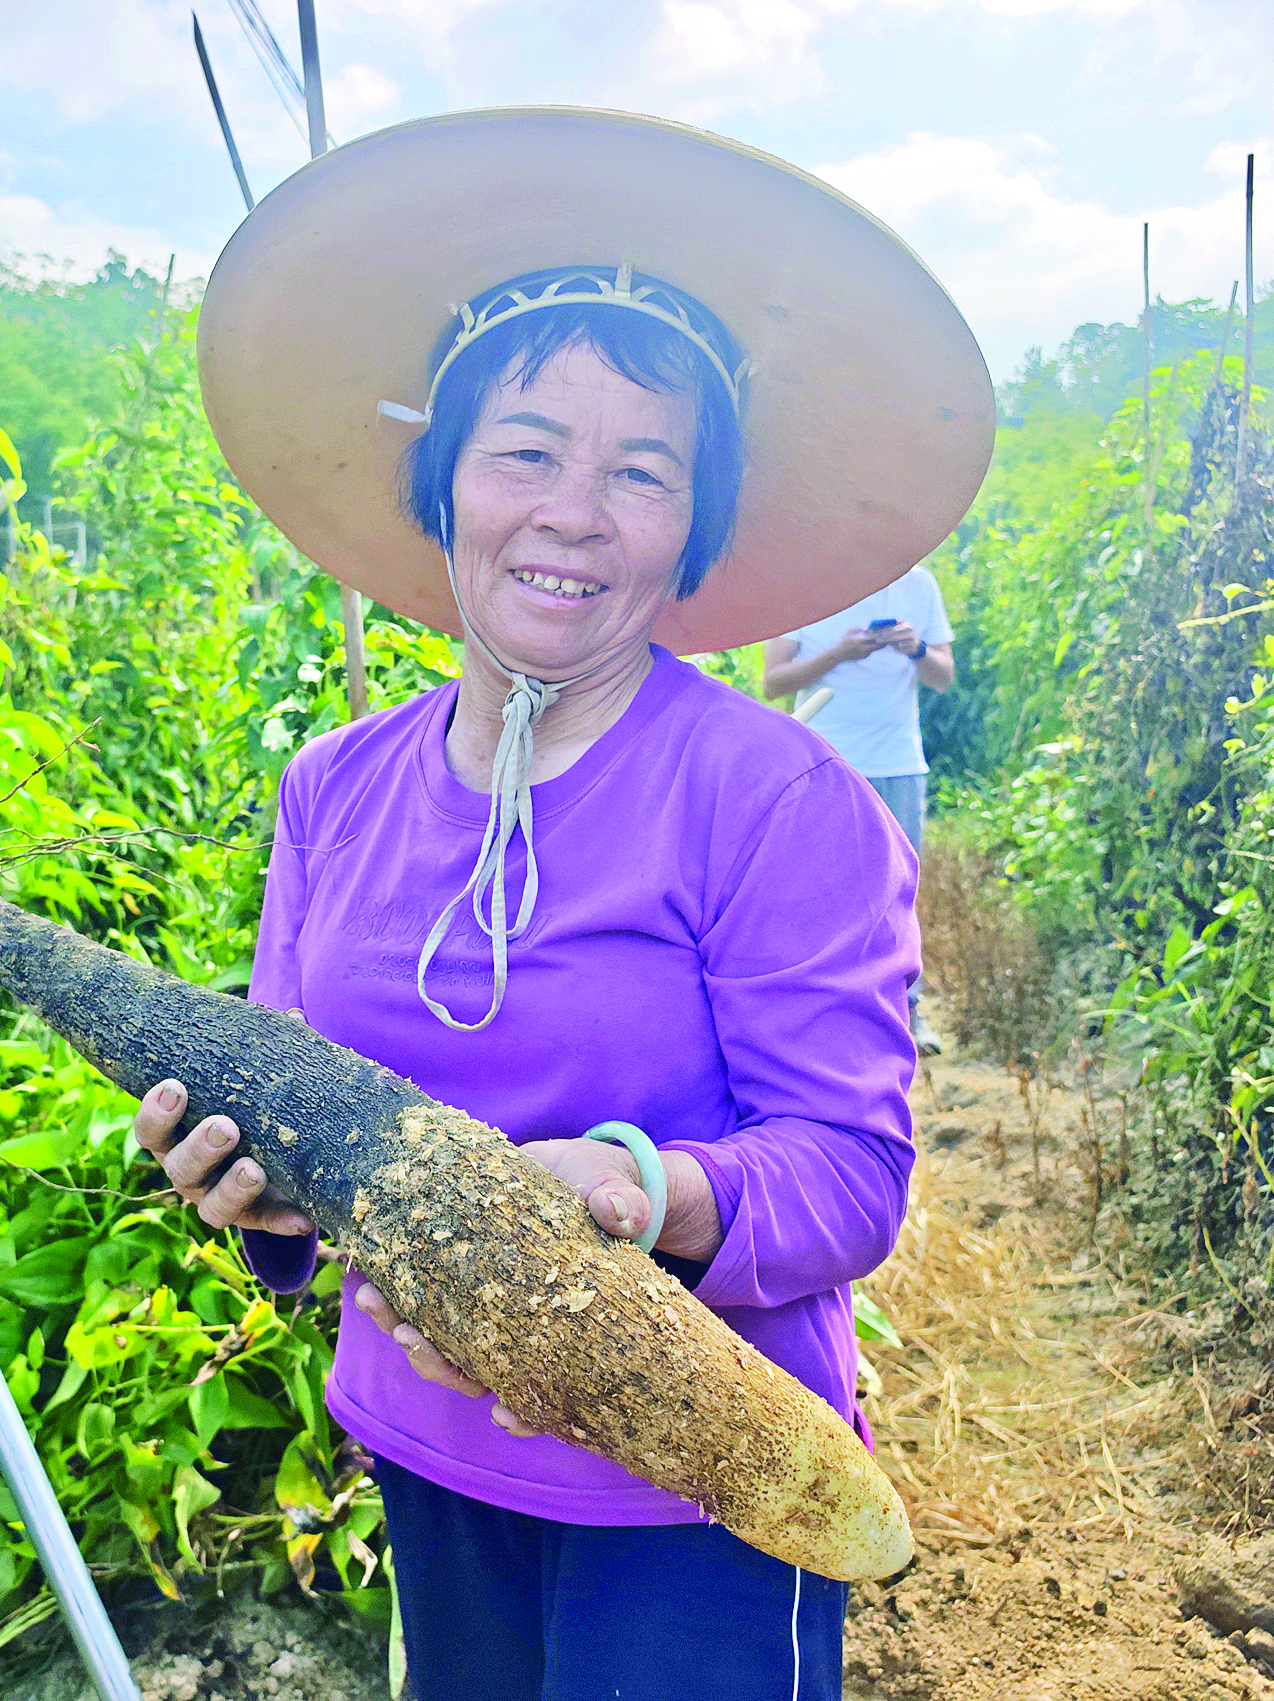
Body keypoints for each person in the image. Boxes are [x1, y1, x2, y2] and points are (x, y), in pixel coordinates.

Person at [132, 109, 992, 1701]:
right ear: (446, 478)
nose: (574, 512)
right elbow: (305, 1110)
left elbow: (852, 1175)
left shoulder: (778, 800)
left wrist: (641, 1190)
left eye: (640, 470)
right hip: (431, 1452)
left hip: (705, 1476)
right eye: (526, 451)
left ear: (692, 526)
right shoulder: (335, 788)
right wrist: (252, 1190)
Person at [761, 567, 956, 1055]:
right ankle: (820, 1018)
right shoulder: (803, 582)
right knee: (814, 891)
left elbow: (944, 678)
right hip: (819, 760)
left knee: (899, 894)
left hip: (899, 762)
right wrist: (838, 655)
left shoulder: (920, 585)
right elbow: (773, 683)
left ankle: (906, 1013)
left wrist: (914, 649)